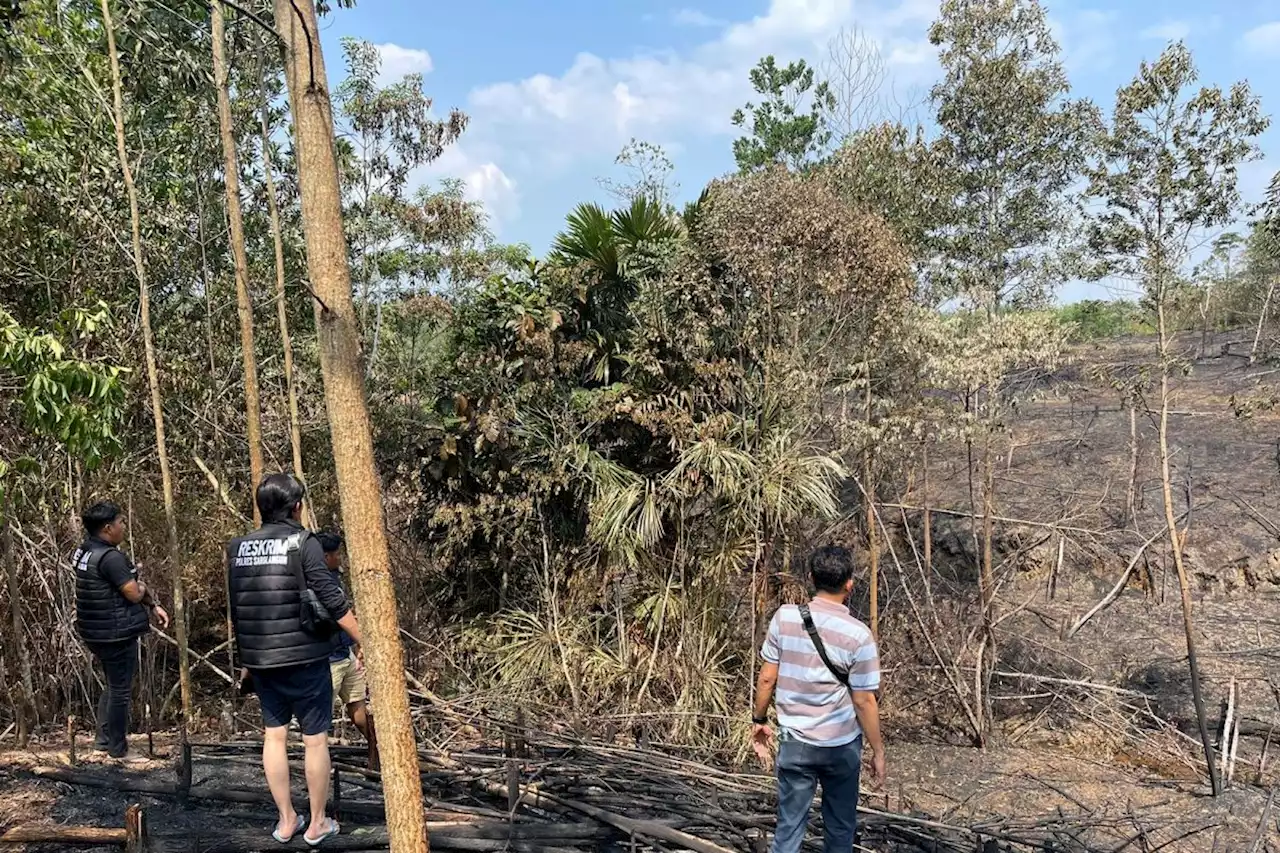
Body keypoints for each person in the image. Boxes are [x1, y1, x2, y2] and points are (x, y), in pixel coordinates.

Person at [227, 474, 361, 846]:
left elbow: (236, 608)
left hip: (262, 660)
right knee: (315, 740)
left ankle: (286, 820)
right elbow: (332, 600)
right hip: (304, 658)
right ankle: (316, 824)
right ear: (297, 506)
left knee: (274, 736)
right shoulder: (304, 543)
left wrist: (246, 660)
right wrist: (364, 638)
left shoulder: (238, 547)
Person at [751, 545, 885, 853]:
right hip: (841, 746)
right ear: (850, 584)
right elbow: (864, 701)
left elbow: (767, 677)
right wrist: (877, 751)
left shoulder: (784, 618)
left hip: (794, 739)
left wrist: (759, 720)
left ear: (810, 578)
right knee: (839, 830)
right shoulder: (859, 635)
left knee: (788, 828)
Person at [73, 501, 170, 761]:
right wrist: (142, 585)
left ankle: (103, 742)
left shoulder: (85, 551)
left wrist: (152, 603)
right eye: (120, 523)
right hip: (115, 632)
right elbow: (132, 592)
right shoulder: (111, 557)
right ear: (107, 528)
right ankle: (119, 749)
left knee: (114, 685)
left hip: (95, 631)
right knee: (120, 690)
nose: (123, 527)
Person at [317, 531, 369, 740]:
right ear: (325, 557)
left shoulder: (336, 578)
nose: (339, 558)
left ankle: (376, 752)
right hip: (327, 661)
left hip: (346, 655)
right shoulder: (317, 584)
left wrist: (356, 647)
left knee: (359, 711)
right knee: (320, 720)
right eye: (336, 554)